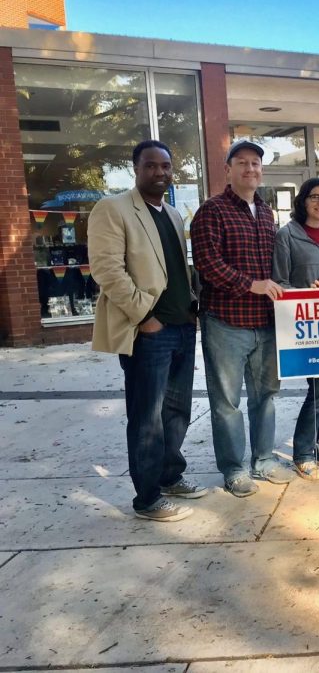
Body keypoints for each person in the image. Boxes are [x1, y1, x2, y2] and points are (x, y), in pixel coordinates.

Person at [88, 140, 207, 522]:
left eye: (166, 166)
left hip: (182, 327)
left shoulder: (172, 213)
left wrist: (190, 308)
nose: (160, 172)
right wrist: (145, 317)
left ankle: (171, 476)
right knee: (147, 417)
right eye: (151, 166)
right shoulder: (113, 209)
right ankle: (147, 498)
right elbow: (107, 270)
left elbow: (176, 267)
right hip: (148, 332)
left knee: (177, 411)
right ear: (136, 169)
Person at [191, 140, 296, 497]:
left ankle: (263, 459)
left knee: (265, 395)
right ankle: (234, 469)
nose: (251, 169)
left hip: (266, 323)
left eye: (256, 163)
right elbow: (208, 264)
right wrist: (251, 285)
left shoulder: (267, 213)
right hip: (226, 322)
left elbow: (277, 267)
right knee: (227, 402)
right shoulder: (212, 211)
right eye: (243, 163)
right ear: (228, 169)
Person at [273, 178, 319, 481]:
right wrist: (306, 292)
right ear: (303, 201)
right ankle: (303, 453)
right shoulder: (286, 236)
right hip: (305, 325)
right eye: (315, 197)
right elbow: (279, 281)